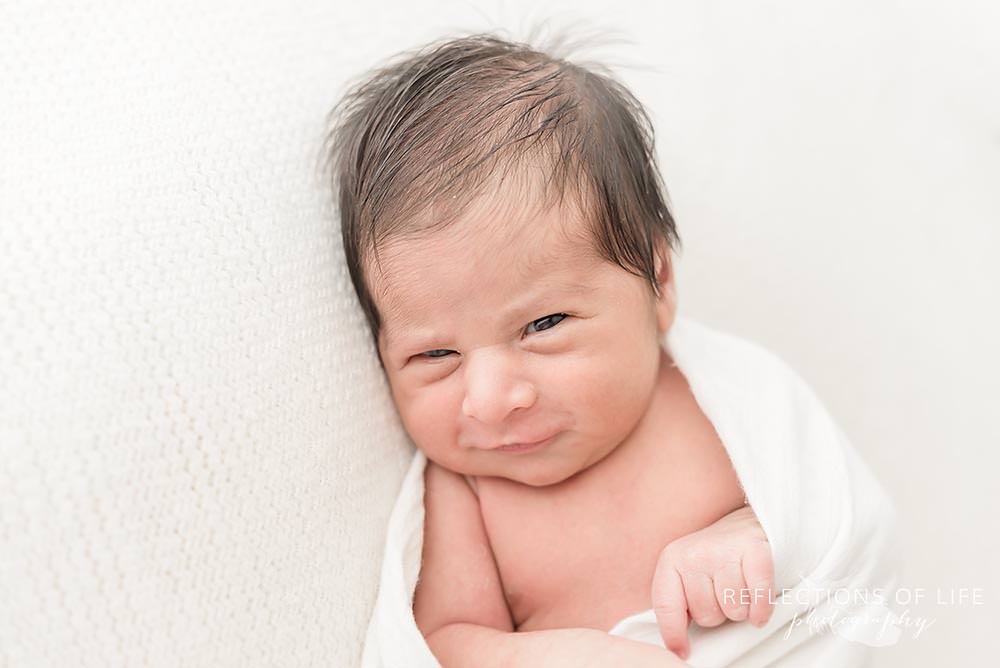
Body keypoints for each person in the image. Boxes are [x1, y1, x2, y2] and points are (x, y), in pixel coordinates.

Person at [326, 32, 786, 666]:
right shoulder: (466, 491)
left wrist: (750, 535)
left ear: (658, 283)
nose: (490, 401)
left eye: (543, 324)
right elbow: (448, 645)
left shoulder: (722, 402)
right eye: (435, 356)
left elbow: (823, 519)